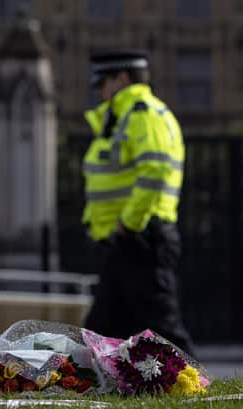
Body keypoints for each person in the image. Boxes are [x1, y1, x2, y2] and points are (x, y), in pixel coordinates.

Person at [82, 51, 196, 356]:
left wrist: (129, 223)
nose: (99, 91)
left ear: (122, 79)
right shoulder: (125, 117)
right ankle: (98, 389)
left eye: (103, 82)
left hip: (140, 236)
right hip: (126, 240)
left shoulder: (141, 115)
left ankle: (196, 388)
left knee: (163, 332)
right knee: (102, 334)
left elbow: (155, 169)